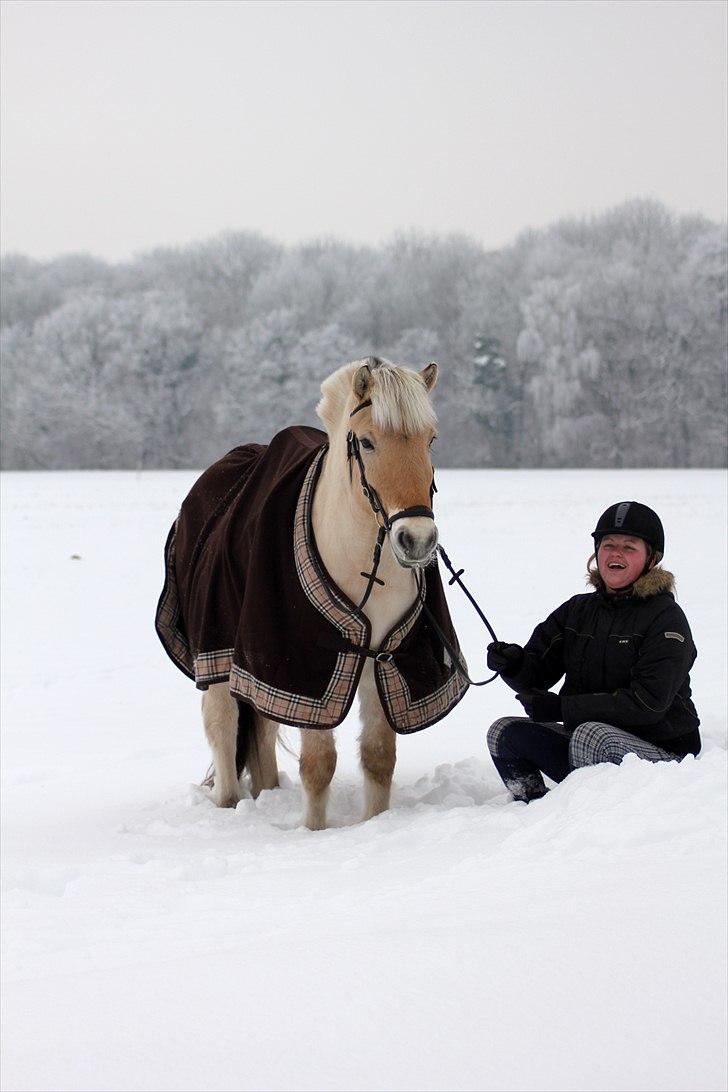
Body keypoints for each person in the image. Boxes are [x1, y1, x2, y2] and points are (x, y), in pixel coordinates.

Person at [486, 501, 700, 802]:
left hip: (664, 753)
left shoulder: (666, 618)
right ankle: (535, 811)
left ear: (652, 558)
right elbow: (537, 675)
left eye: (629, 547)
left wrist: (562, 708)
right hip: (592, 743)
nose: (616, 553)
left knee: (590, 735)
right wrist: (513, 664)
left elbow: (648, 703)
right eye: (608, 544)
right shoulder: (577, 610)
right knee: (504, 733)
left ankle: (586, 819)